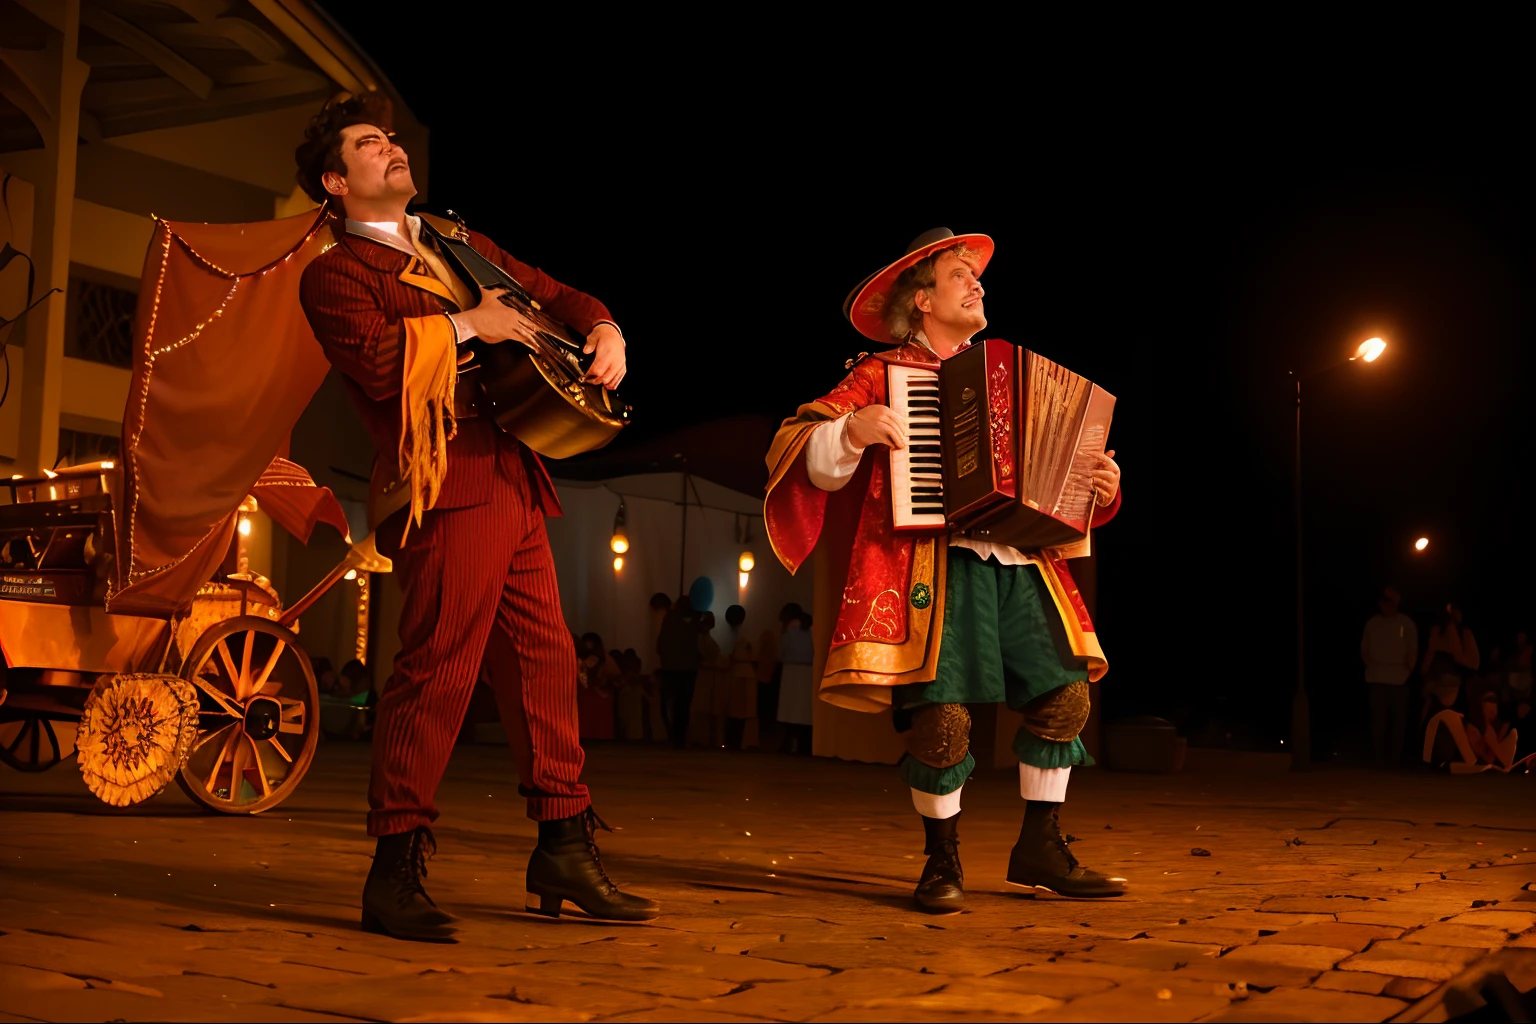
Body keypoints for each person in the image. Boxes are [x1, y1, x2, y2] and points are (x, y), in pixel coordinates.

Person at [294, 94, 656, 940]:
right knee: (439, 669)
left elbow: (556, 292)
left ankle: (563, 845)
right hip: (444, 475)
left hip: (515, 468)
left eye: (390, 137)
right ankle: (393, 867)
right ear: (335, 182)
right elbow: (384, 366)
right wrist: (469, 322)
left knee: (545, 660)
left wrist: (604, 328)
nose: (390, 149)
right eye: (367, 144)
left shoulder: (455, 239)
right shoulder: (335, 275)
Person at [763, 229, 1126, 912]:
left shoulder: (1004, 374)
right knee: (943, 724)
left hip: (1019, 561)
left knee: (1066, 697)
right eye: (962, 274)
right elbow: (801, 446)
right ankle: (941, 861)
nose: (978, 284)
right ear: (922, 299)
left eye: (979, 277)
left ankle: (1040, 848)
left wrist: (1098, 489)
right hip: (933, 565)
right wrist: (852, 429)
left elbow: (1051, 482)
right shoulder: (881, 375)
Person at [1360, 586, 1417, 768]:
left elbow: (1412, 650)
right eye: (1384, 602)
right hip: (1377, 679)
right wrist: (1373, 667)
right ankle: (1378, 760)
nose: (1386, 605)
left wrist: (1407, 671)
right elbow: (1364, 650)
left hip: (1399, 680)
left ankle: (1394, 762)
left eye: (1389, 602)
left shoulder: (1405, 623)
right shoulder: (1373, 623)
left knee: (1397, 724)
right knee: (1379, 723)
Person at [1421, 603, 1479, 726]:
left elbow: (1471, 661)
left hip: (1449, 679)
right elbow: (1431, 652)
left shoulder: (1460, 631)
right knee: (1432, 717)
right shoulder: (1444, 629)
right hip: (1440, 677)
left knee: (1438, 718)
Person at [655, 595, 700, 748]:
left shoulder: (670, 619)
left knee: (669, 703)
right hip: (689, 669)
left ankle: (673, 736)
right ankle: (680, 737)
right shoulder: (696, 620)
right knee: (684, 704)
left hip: (671, 668)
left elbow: (661, 645)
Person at [777, 605, 815, 754]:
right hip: (808, 672)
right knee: (804, 710)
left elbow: (781, 652)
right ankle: (804, 745)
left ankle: (789, 742)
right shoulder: (812, 630)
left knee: (789, 709)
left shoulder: (789, 632)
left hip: (790, 671)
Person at [722, 605, 759, 750]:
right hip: (745, 672)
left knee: (735, 709)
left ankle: (736, 741)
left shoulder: (734, 634)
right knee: (745, 709)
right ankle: (742, 741)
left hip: (736, 672)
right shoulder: (747, 632)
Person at [690, 612, 724, 746]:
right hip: (704, 675)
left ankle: (703, 738)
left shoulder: (704, 638)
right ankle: (700, 738)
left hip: (707, 675)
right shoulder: (701, 639)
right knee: (701, 705)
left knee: (705, 705)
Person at [576, 634, 618, 742]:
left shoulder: (602, 658)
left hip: (598, 696)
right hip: (589, 695)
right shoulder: (583, 659)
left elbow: (614, 676)